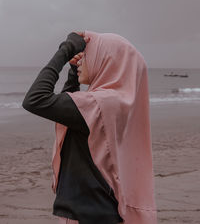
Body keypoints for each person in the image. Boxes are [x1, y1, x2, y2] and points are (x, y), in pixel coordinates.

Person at [22, 30, 157, 224]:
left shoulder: (100, 105)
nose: (83, 59)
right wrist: (73, 74)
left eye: (88, 55)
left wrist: (65, 50)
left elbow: (35, 100)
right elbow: (72, 117)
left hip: (88, 215)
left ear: (106, 60)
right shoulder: (115, 102)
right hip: (97, 210)